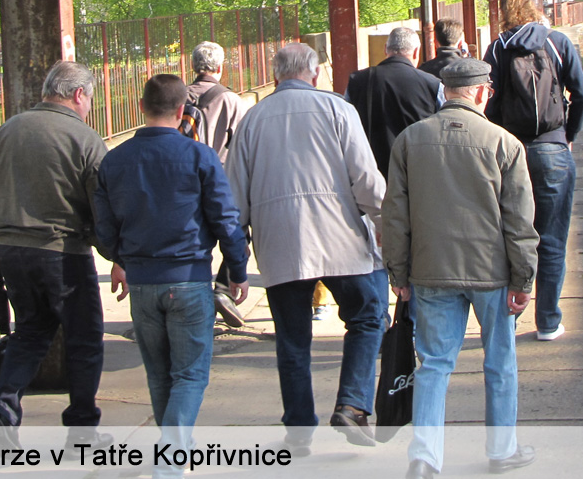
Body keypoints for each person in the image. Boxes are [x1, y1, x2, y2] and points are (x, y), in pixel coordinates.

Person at [225, 42, 388, 451]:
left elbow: (234, 198)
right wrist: (385, 222)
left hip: (280, 244)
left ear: (275, 75)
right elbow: (366, 179)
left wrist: (235, 256)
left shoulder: (252, 119)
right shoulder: (338, 110)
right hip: (341, 240)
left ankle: (298, 430)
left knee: (293, 339)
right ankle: (352, 404)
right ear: (315, 74)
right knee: (368, 316)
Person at [383, 57, 539, 478]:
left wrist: (398, 274)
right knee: (500, 362)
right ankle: (502, 450)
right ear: (482, 92)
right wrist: (523, 278)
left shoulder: (410, 140)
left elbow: (394, 215)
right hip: (493, 274)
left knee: (433, 364)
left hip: (430, 270)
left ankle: (424, 458)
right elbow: (519, 222)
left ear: (445, 92)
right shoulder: (505, 143)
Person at [93, 74, 249, 473]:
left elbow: (103, 226)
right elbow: (225, 218)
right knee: (191, 375)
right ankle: (172, 457)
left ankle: (174, 449)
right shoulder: (199, 156)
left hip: (143, 282)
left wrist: (123, 257)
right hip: (189, 277)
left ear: (141, 107)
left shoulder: (114, 160)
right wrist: (237, 267)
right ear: (183, 111)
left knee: (160, 375)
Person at [0, 60, 114, 440]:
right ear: (78, 94)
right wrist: (116, 255)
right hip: (64, 253)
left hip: (11, 251)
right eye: (90, 99)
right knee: (84, 339)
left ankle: (3, 409)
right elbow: (102, 204)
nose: (89, 107)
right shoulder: (84, 138)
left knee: (30, 333)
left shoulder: (7, 130)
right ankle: (82, 431)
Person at [483, 0, 583, 341]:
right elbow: (581, 94)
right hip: (552, 150)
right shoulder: (557, 42)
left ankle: (508, 322)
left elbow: (489, 103)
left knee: (509, 239)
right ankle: (547, 322)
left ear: (503, 13)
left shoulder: (498, 48)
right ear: (533, 9)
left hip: (510, 154)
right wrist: (567, 135)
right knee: (552, 240)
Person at [186, 41, 251, 327]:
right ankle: (223, 288)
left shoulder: (178, 97)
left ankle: (193, 300)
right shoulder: (232, 101)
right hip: (220, 181)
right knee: (237, 232)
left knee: (192, 241)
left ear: (193, 66)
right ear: (221, 67)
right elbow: (244, 146)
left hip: (183, 184)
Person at [344, 26, 442, 176]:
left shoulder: (357, 81)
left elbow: (346, 126)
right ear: (416, 52)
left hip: (372, 172)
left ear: (385, 49)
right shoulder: (433, 85)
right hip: (417, 172)